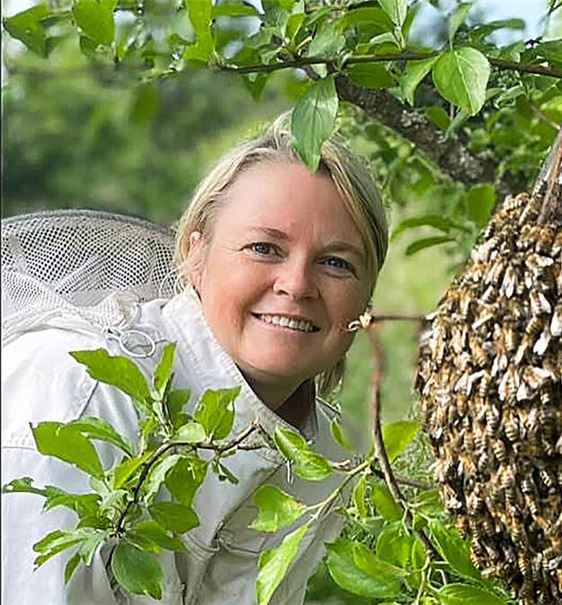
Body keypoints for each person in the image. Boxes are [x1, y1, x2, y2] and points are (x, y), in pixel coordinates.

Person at [1, 113, 389, 604]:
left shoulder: (327, 457)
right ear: (196, 256)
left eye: (336, 263)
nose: (296, 285)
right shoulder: (81, 389)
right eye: (264, 248)